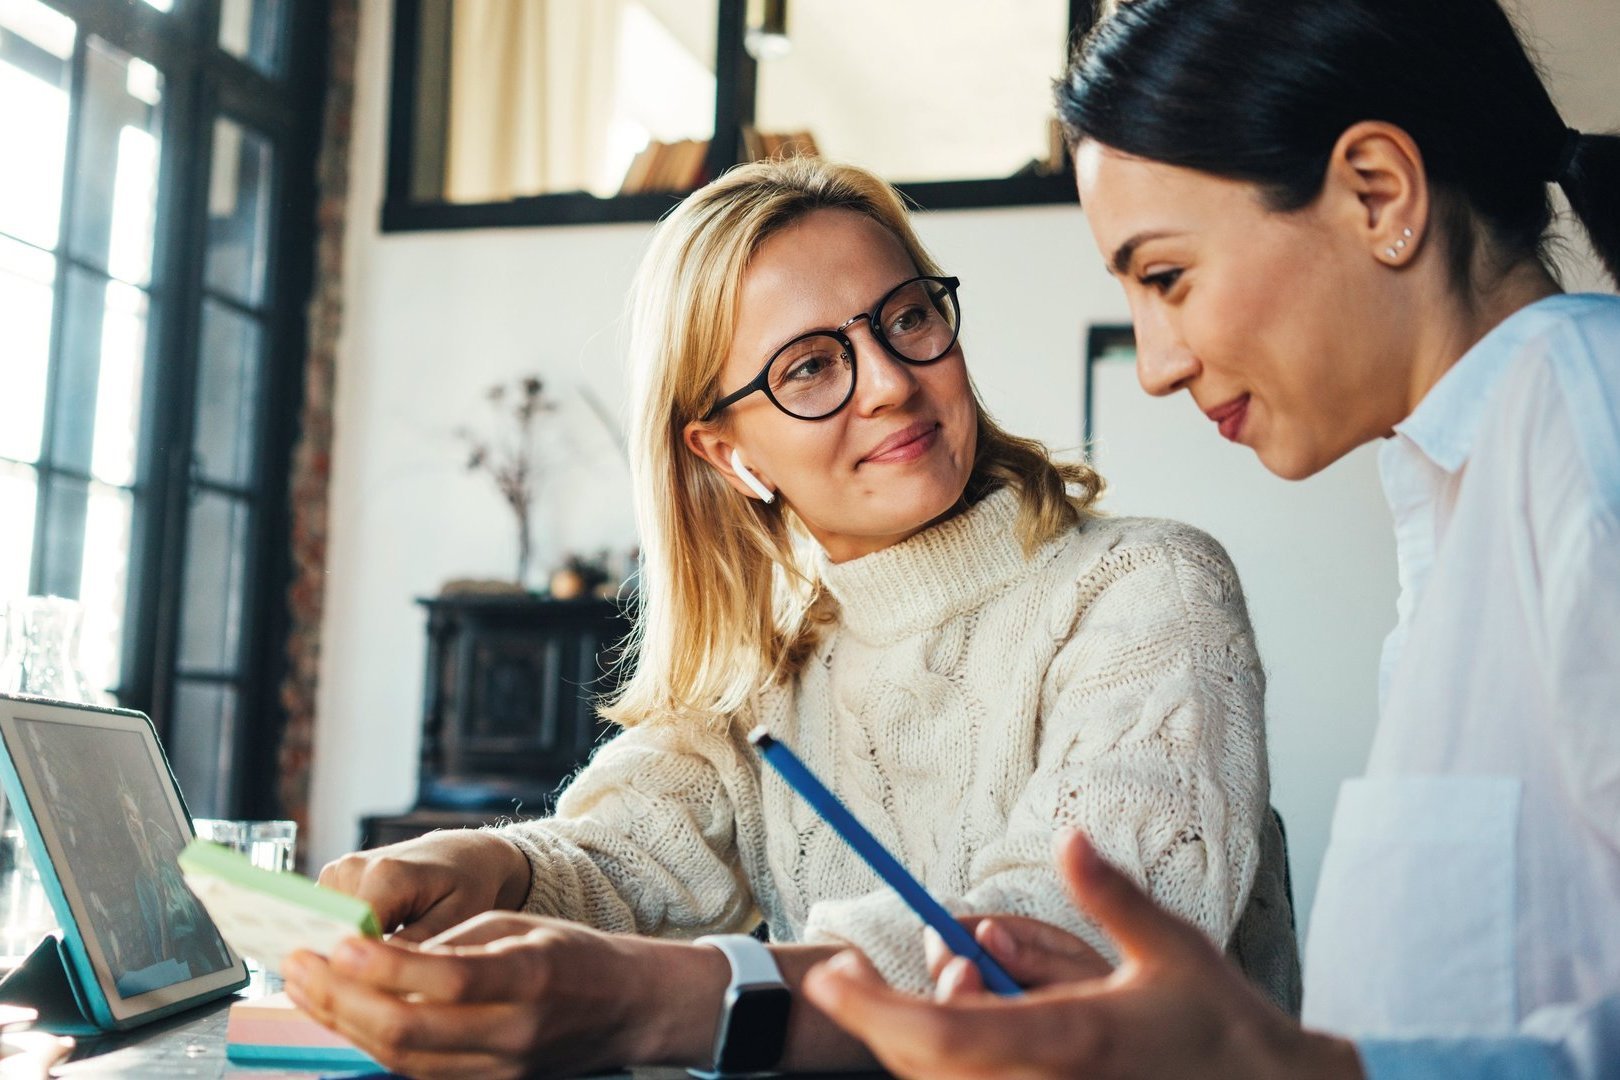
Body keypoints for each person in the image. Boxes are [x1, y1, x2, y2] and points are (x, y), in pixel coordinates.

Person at [280, 156, 1299, 1078]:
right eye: (811, 367)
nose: (894, 384)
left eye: (906, 318)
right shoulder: (768, 657)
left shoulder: (1149, 588)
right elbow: (622, 857)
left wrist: (651, 1001)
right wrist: (493, 863)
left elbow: (1058, 947)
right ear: (727, 454)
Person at [802, 0, 1620, 1076]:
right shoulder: (1466, 488)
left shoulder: (1584, 426)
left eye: (1166, 277)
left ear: (1380, 193)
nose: (1156, 363)